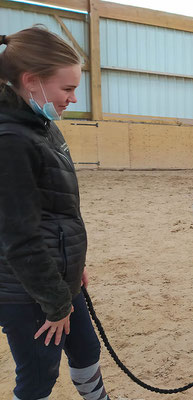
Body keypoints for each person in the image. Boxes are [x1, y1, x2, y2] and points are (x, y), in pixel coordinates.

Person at [0, 27, 109, 400]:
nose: (73, 98)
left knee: (86, 351)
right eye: (67, 89)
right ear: (31, 81)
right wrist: (56, 304)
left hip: (58, 282)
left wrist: (73, 264)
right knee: (38, 378)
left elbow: (56, 211)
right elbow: (20, 239)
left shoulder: (42, 126)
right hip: (28, 291)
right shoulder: (12, 142)